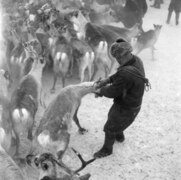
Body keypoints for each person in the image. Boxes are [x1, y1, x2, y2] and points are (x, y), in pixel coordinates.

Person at [93, 38, 150, 158]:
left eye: (119, 58)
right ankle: (119, 135)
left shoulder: (126, 73)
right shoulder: (136, 60)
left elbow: (113, 91)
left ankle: (107, 150)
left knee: (110, 127)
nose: (118, 60)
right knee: (113, 117)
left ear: (124, 55)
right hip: (132, 103)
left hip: (127, 106)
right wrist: (108, 80)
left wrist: (100, 90)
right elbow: (121, 74)